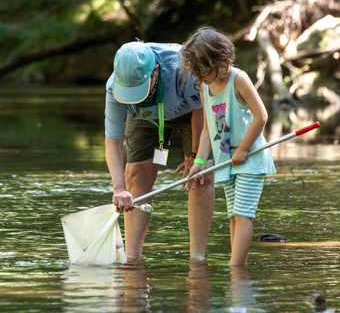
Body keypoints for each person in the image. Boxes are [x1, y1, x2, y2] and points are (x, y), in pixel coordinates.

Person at [105, 40, 215, 261]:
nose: (136, 95)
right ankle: (132, 260)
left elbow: (200, 111)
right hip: (145, 119)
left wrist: (194, 157)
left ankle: (197, 260)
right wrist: (118, 189)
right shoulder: (113, 87)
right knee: (134, 174)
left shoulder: (182, 66)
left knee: (201, 175)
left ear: (155, 72)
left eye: (138, 89)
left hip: (190, 113)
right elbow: (113, 142)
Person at [181, 26, 276, 266]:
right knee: (233, 216)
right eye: (196, 72)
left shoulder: (239, 79)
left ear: (219, 59)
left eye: (204, 70)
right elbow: (206, 130)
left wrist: (243, 149)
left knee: (243, 216)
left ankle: (235, 269)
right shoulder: (204, 87)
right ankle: (238, 268)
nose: (200, 76)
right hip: (226, 160)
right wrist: (200, 161)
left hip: (250, 158)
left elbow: (261, 116)